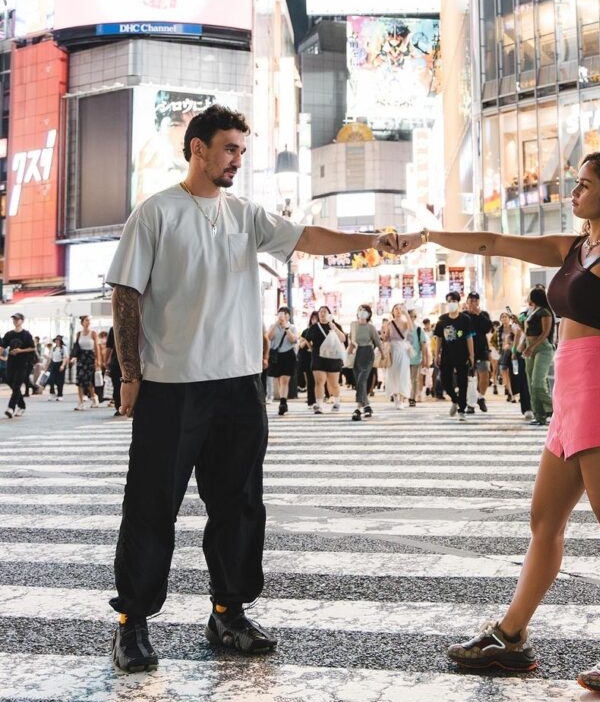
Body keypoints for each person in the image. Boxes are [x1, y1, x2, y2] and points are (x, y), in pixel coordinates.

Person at [105, 103, 395, 673]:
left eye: (241, 149)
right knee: (151, 506)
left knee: (239, 505)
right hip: (172, 386)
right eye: (229, 148)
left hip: (239, 385)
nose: (237, 159)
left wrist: (373, 240)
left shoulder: (246, 215)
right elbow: (126, 297)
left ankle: (228, 612)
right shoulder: (156, 212)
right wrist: (131, 376)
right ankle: (132, 623)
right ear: (198, 149)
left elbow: (308, 235)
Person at [394, 151, 600, 697]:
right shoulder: (574, 248)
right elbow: (494, 243)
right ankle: (511, 637)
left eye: (585, 185)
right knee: (544, 520)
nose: (574, 192)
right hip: (570, 396)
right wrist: (428, 236)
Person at [431, 292, 475, 423]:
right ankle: (455, 400)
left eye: (454, 301)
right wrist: (437, 354)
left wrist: (471, 355)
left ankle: (461, 410)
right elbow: (438, 338)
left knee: (463, 384)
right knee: (445, 381)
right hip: (446, 356)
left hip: (462, 355)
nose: (452, 303)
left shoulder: (465, 319)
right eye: (450, 301)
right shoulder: (442, 319)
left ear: (458, 303)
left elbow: (469, 338)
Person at [520, 286, 555, 427]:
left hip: (542, 348)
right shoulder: (532, 311)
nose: (528, 298)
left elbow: (545, 332)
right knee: (531, 384)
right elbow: (528, 331)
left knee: (538, 382)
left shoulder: (545, 312)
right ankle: (539, 415)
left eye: (529, 295)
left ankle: (556, 409)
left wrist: (531, 347)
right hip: (530, 347)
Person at [303, 306, 347, 413]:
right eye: (320, 312)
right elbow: (306, 339)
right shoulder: (313, 328)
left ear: (329, 314)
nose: (322, 314)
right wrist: (312, 349)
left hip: (333, 358)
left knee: (333, 383)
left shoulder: (335, 326)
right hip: (318, 358)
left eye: (325, 312)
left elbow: (343, 339)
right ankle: (319, 405)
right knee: (319, 381)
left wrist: (334, 327)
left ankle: (336, 402)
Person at [348, 303, 380, 421]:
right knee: (359, 382)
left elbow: (377, 341)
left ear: (369, 314)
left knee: (362, 379)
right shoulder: (353, 325)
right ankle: (367, 406)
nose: (361, 311)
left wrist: (383, 354)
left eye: (364, 310)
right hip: (356, 354)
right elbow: (351, 340)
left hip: (368, 354)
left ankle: (358, 409)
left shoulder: (371, 327)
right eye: (360, 309)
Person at [2, 314, 36, 418]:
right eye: (14, 319)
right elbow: (2, 347)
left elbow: (33, 348)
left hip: (23, 363)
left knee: (16, 385)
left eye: (17, 319)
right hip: (11, 363)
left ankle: (11, 408)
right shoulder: (9, 334)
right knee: (11, 382)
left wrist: (21, 350)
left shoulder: (26, 334)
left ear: (22, 321)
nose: (15, 321)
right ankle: (22, 405)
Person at [266, 307, 299, 416]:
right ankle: (282, 400)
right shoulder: (273, 326)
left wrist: (286, 328)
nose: (282, 316)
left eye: (284, 314)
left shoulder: (292, 327)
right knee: (279, 380)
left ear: (288, 316)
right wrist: (276, 324)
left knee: (284, 380)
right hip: (276, 356)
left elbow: (293, 340)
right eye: (280, 314)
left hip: (288, 355)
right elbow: (268, 338)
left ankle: (283, 403)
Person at [464, 292, 494, 413]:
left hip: (482, 350)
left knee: (484, 375)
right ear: (467, 302)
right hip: (467, 351)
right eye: (471, 300)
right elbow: (460, 332)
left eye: (475, 300)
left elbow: (488, 328)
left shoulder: (484, 314)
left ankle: (480, 397)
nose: (473, 303)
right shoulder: (463, 315)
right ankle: (470, 404)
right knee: (469, 378)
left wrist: (479, 314)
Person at [384, 303, 412, 408]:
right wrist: (384, 335)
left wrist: (407, 314)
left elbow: (411, 329)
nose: (398, 311)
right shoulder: (390, 323)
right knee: (393, 374)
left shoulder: (405, 322)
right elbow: (386, 337)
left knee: (403, 374)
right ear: (393, 311)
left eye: (400, 309)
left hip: (403, 350)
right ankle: (396, 398)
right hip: (392, 350)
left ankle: (401, 398)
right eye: (396, 309)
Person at [71, 316, 100, 411]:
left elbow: (96, 347)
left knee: (89, 381)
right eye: (86, 320)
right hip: (81, 358)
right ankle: (81, 402)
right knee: (79, 380)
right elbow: (76, 347)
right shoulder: (79, 334)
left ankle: (94, 397)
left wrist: (98, 360)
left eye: (89, 320)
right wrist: (73, 357)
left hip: (90, 357)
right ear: (82, 322)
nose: (88, 322)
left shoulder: (93, 333)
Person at [406, 307, 429, 406]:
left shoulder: (419, 329)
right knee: (404, 378)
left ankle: (412, 398)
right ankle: (403, 396)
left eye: (413, 316)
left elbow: (423, 345)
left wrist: (425, 359)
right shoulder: (403, 329)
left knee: (414, 379)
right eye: (409, 316)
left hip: (415, 359)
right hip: (403, 358)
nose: (411, 318)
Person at [105, 327, 124, 416]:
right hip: (117, 362)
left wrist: (106, 362)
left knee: (117, 385)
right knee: (117, 385)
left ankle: (120, 407)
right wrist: (106, 362)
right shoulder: (113, 328)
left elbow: (108, 347)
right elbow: (109, 347)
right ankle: (120, 406)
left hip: (117, 362)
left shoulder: (114, 328)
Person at [47, 335, 69, 401]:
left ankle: (60, 394)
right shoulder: (53, 348)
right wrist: (46, 366)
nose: (57, 341)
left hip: (61, 364)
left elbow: (66, 357)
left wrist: (62, 365)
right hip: (54, 364)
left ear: (60, 341)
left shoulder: (63, 348)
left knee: (60, 381)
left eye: (58, 340)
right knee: (51, 379)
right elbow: (50, 358)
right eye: (56, 340)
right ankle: (52, 393)